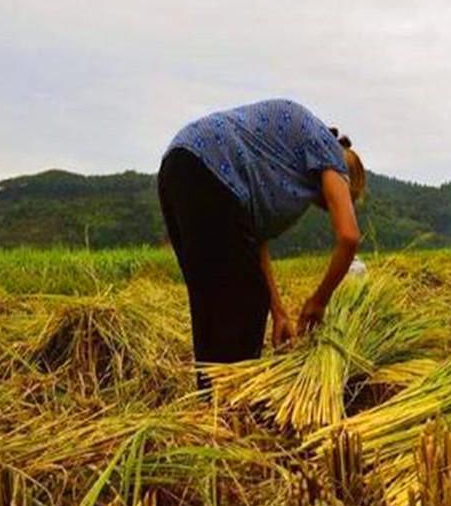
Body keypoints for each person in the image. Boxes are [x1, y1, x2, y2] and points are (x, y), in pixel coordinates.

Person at [157, 99, 366, 390]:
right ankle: (234, 401)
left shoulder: (287, 162)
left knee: (211, 299)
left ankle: (214, 404)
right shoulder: (329, 152)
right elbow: (349, 236)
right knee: (244, 300)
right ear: (344, 178)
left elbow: (253, 243)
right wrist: (318, 301)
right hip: (211, 170)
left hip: (179, 166)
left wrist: (278, 312)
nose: (324, 206)